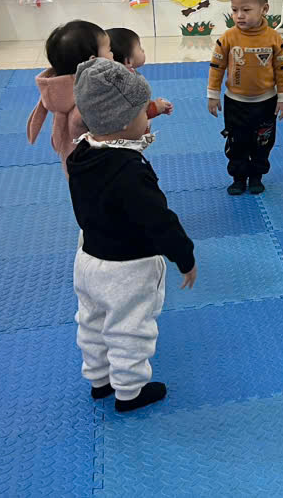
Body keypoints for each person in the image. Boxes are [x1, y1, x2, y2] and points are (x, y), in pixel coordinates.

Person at [66, 57, 196, 413]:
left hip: (88, 258)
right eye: (143, 112)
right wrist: (184, 256)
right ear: (123, 121)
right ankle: (129, 391)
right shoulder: (130, 170)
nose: (146, 117)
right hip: (127, 267)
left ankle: (99, 379)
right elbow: (159, 220)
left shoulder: (81, 153)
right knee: (130, 328)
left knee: (91, 321)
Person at [208, 0, 283, 195]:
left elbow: (282, 70)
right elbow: (216, 67)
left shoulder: (274, 39)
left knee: (263, 142)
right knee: (236, 142)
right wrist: (213, 94)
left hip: (266, 102)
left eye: (246, 10)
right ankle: (238, 177)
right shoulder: (228, 38)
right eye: (234, 10)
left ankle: (256, 176)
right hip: (235, 103)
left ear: (264, 9)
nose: (239, 15)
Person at [27, 20, 112, 172]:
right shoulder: (89, 97)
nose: (113, 55)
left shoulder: (60, 90)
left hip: (72, 165)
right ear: (93, 61)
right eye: (109, 50)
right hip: (98, 168)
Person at [106, 28, 174, 122]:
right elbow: (133, 115)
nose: (143, 50)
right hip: (130, 131)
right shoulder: (125, 84)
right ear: (128, 61)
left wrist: (151, 104)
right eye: (140, 48)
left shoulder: (110, 78)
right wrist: (155, 108)